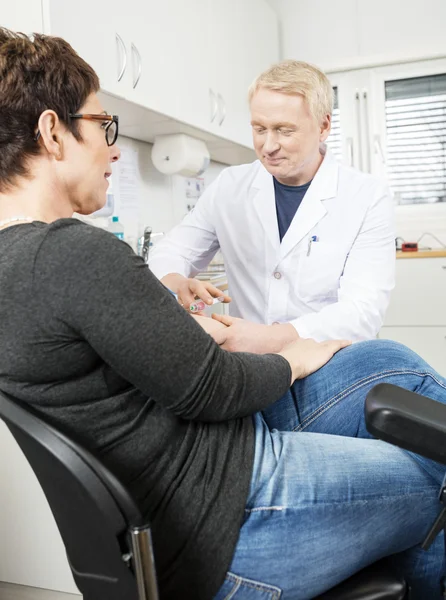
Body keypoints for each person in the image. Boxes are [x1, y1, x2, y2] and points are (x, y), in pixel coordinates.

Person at [0, 28, 445, 600]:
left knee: (387, 360)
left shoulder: (29, 257)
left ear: (324, 128)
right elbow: (210, 387)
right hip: (229, 503)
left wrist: (239, 338)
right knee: (434, 469)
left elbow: (162, 369)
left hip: (217, 456)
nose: (113, 147)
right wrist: (290, 358)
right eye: (103, 127)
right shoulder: (72, 253)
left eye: (283, 129)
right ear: (52, 132)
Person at [149, 59, 396, 353]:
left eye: (284, 130)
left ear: (323, 126)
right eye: (259, 128)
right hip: (252, 368)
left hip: (329, 360)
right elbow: (172, 250)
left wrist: (273, 338)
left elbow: (362, 312)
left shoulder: (367, 196)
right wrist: (177, 281)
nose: (268, 146)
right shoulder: (230, 186)